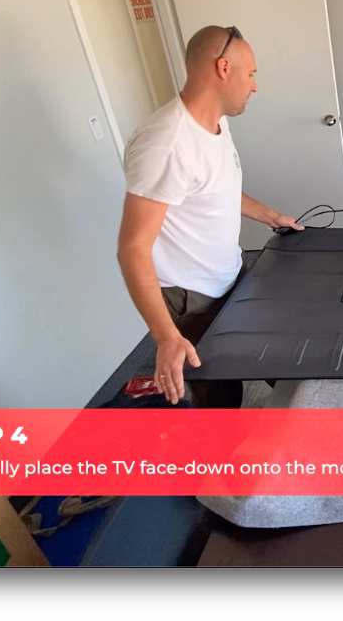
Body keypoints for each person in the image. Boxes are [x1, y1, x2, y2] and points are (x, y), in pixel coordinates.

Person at [116, 25, 303, 407]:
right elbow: (133, 248)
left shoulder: (216, 125)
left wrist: (270, 215)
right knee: (212, 402)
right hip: (190, 296)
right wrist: (166, 337)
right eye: (250, 74)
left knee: (236, 374)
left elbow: (218, 191)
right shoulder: (167, 144)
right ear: (223, 68)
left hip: (226, 277)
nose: (254, 85)